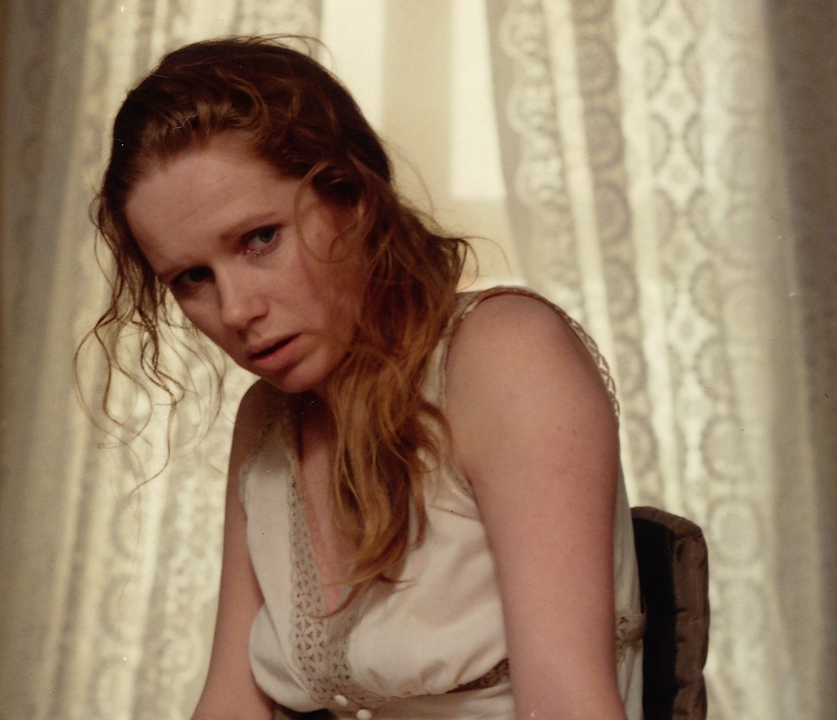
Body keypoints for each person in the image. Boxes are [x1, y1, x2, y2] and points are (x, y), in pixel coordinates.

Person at [90, 37, 643, 720]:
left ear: (351, 196)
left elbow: (568, 705)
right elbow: (233, 702)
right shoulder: (269, 419)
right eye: (192, 278)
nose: (235, 311)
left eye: (259, 239)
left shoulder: (505, 356)